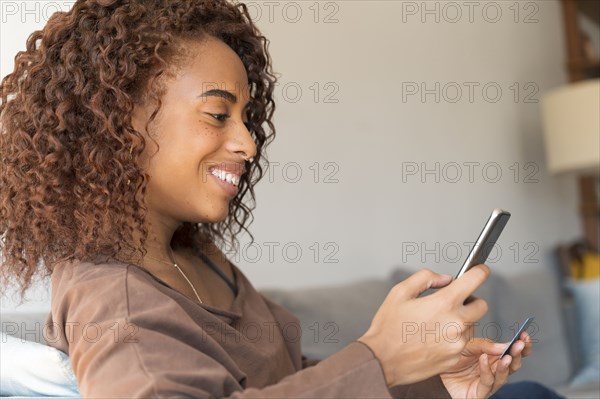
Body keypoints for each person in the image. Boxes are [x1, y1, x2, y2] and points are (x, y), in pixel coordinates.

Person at [0, 0, 532, 397]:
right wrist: (379, 357)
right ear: (117, 124)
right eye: (217, 114)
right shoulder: (113, 297)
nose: (248, 143)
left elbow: (295, 383)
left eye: (247, 119)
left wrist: (438, 383)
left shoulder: (192, 255)